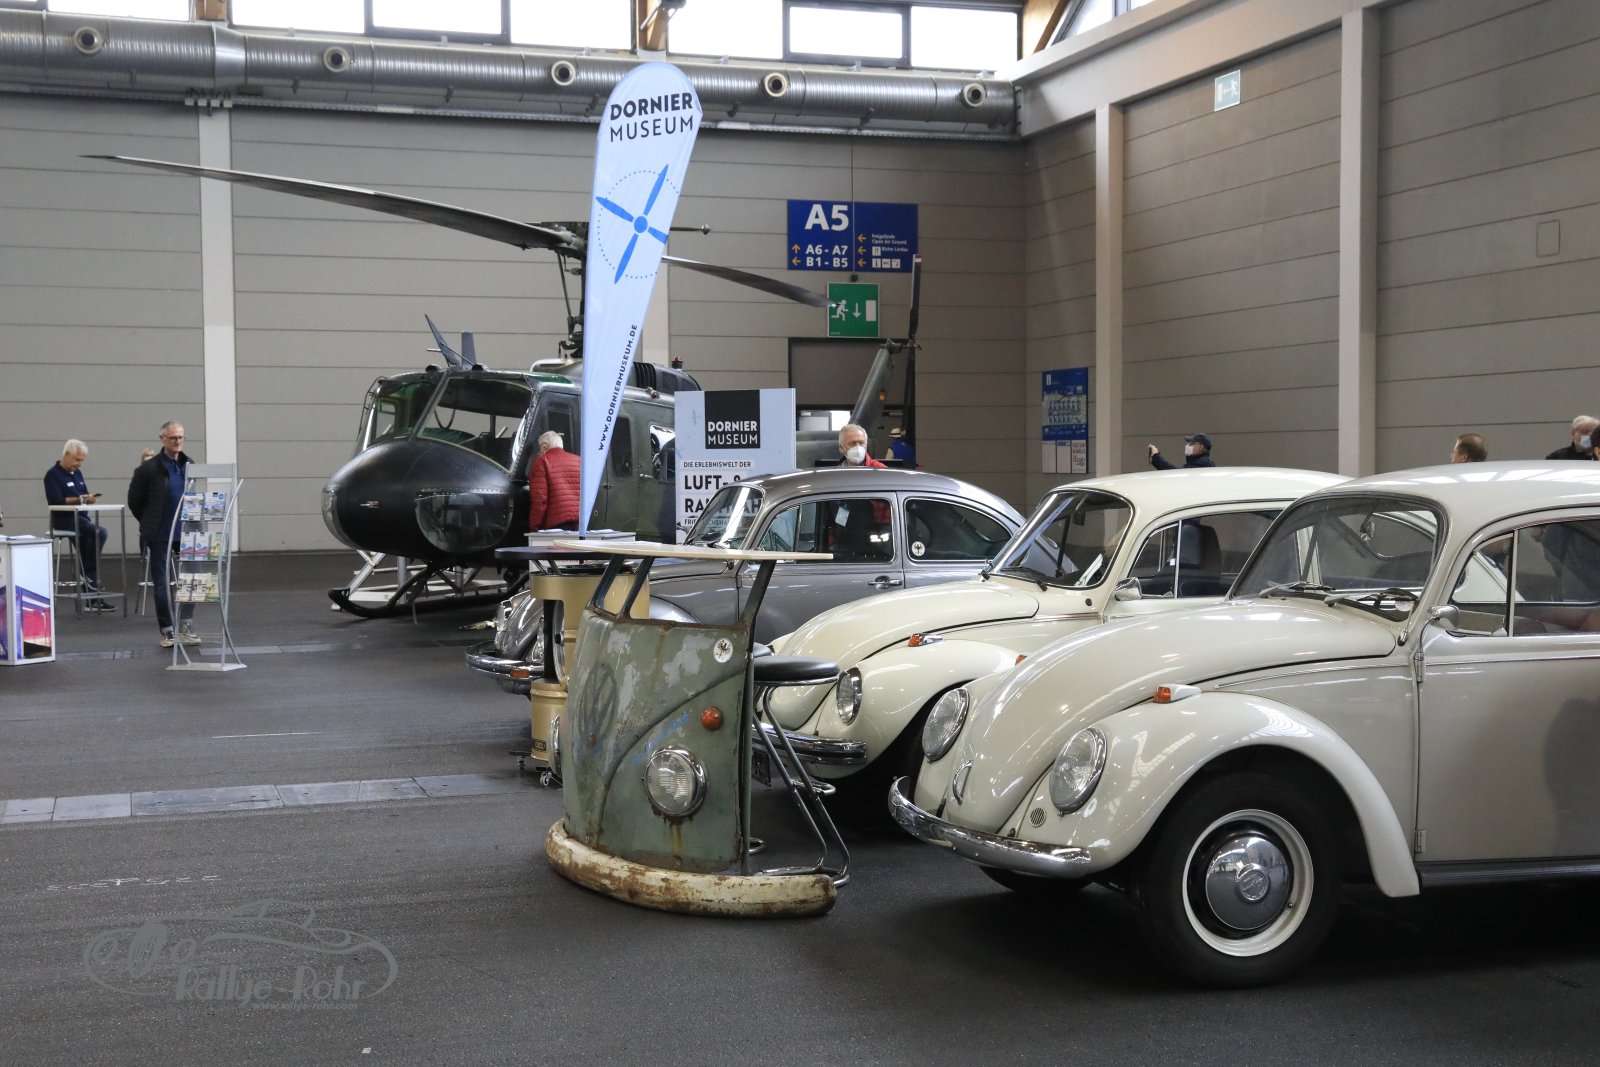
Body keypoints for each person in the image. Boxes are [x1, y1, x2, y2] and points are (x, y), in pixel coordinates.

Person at [128, 422, 199, 648]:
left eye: (181, 437)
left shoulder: (190, 465)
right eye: (173, 438)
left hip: (187, 532)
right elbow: (134, 501)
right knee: (162, 583)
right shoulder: (148, 469)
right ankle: (167, 630)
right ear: (163, 439)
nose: (178, 441)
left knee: (193, 578)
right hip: (160, 533)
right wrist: (150, 521)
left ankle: (185, 625)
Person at [43, 439, 112, 609]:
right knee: (100, 532)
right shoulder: (52, 475)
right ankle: (86, 575)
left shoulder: (77, 473)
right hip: (64, 520)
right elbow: (55, 500)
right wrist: (80, 499)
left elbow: (83, 494)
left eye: (82, 460)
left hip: (81, 520)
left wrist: (89, 498)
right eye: (77, 459)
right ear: (66, 454)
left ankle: (92, 599)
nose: (79, 464)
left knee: (89, 548)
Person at [527, 430, 581, 530]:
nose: (539, 452)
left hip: (555, 525)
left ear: (544, 447)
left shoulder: (542, 461)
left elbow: (540, 499)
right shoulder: (578, 460)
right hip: (579, 524)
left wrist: (534, 526)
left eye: (539, 449)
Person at [1148, 433, 1215, 470]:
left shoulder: (1202, 463)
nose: (1188, 445)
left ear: (1201, 447)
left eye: (1192, 443)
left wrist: (1156, 456)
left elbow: (1176, 473)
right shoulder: (1200, 462)